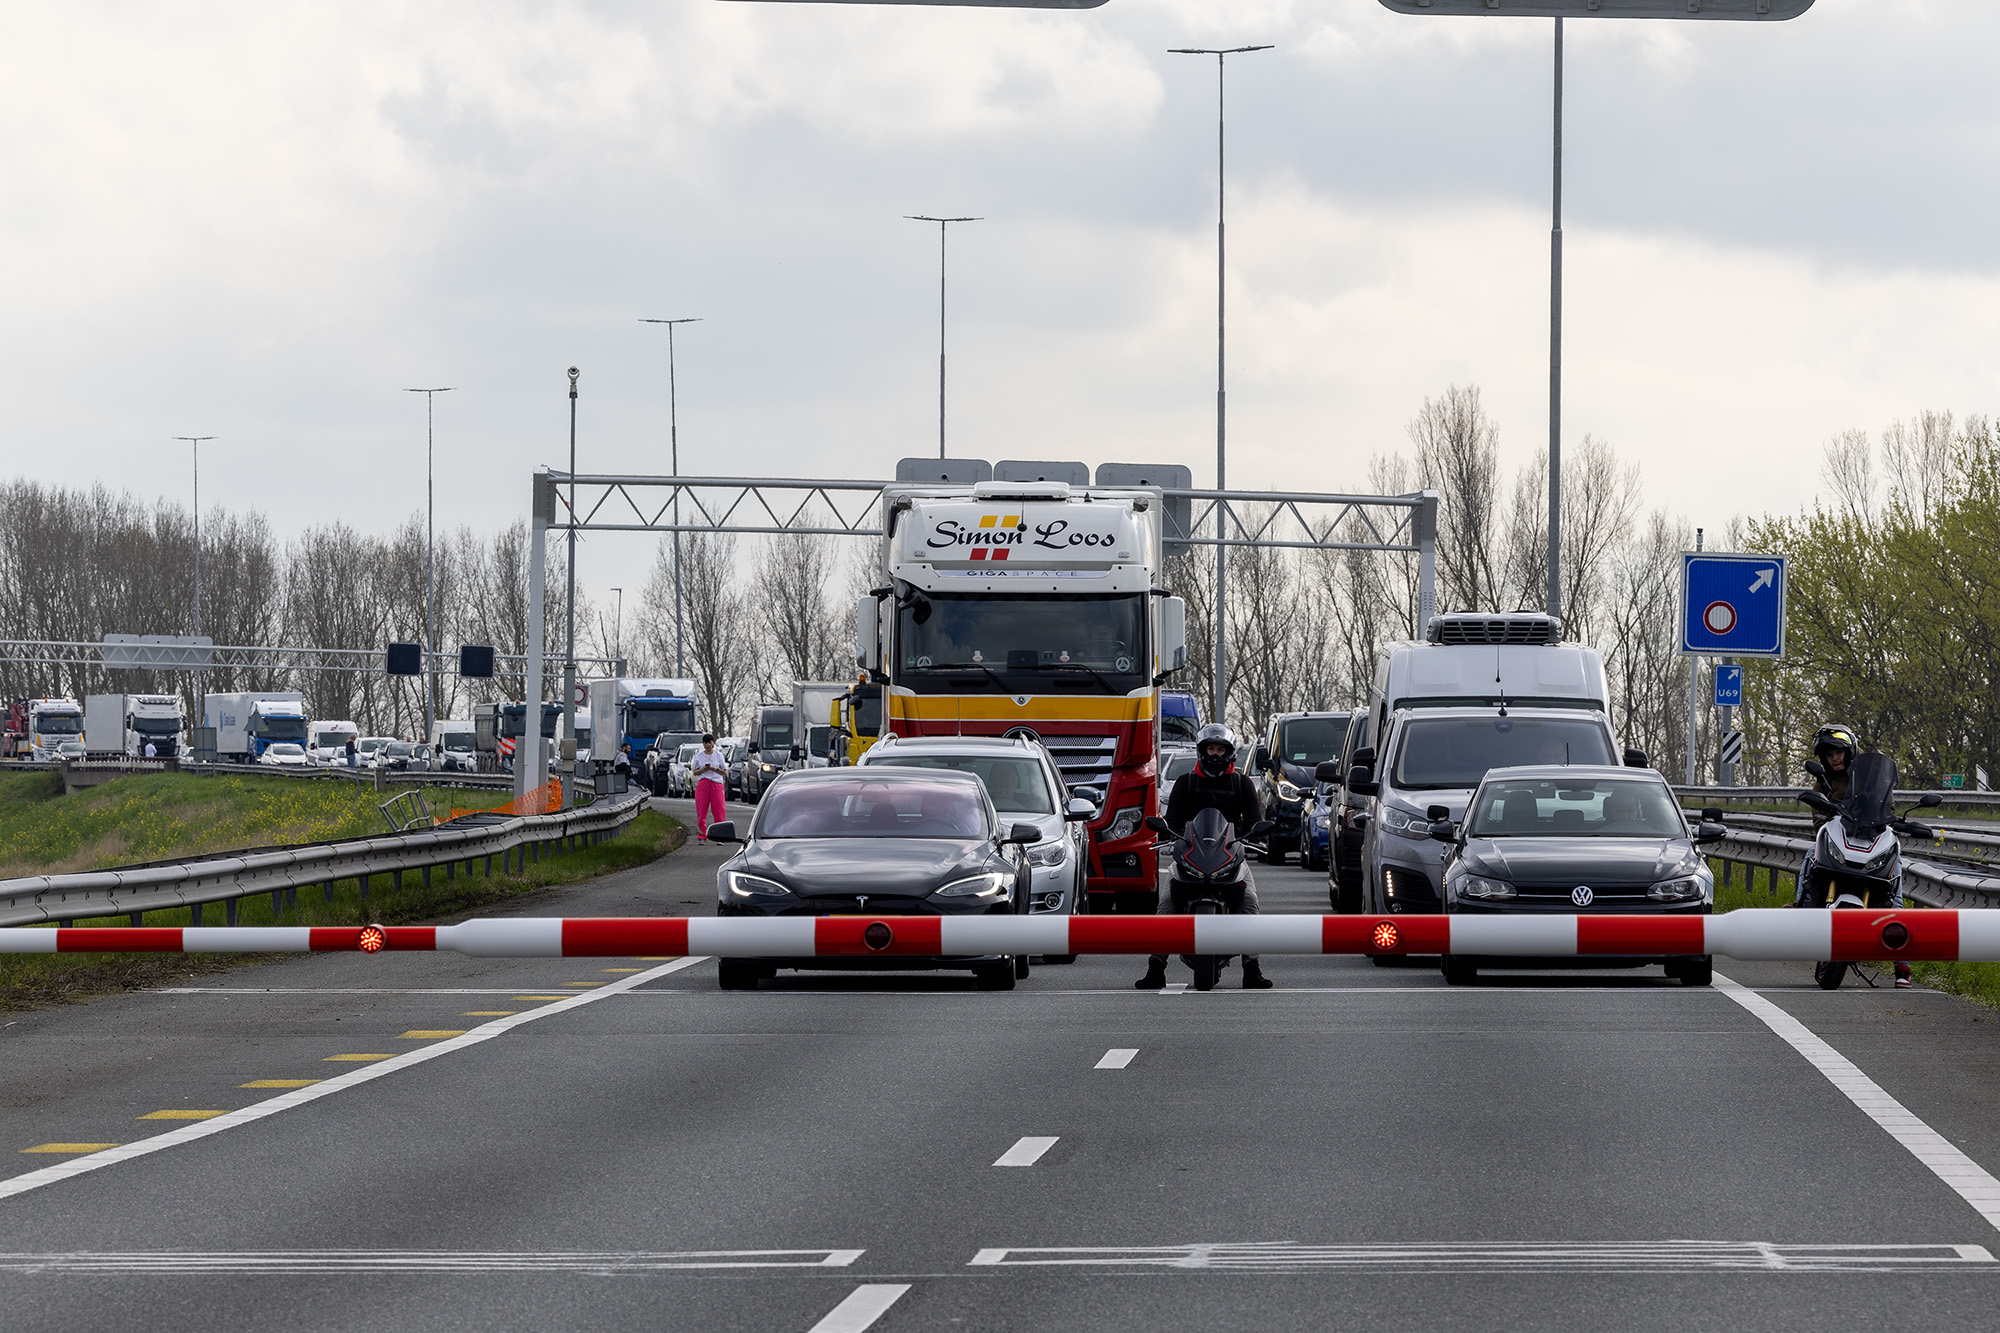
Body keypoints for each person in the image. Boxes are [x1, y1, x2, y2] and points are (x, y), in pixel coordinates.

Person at [1136, 723, 1271, 991]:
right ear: (1201, 750)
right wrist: (1166, 832)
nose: (1215, 754)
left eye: (1221, 749)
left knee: (1250, 901)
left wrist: (1254, 835)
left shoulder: (1242, 783)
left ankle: (1252, 967)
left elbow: (1255, 821)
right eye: (1210, 748)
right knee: (1165, 905)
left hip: (1231, 857)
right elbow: (1172, 821)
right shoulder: (1186, 783)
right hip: (1190, 856)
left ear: (1230, 753)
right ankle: (1155, 967)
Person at [1793, 724, 1911, 988]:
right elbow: (1817, 818)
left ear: (1850, 751)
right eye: (1829, 754)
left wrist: (1884, 817)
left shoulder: (1871, 774)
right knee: (1811, 852)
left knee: (1896, 871)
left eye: (1839, 752)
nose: (1834, 758)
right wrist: (1825, 814)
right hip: (1840, 836)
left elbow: (1886, 806)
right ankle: (1801, 904)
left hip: (1869, 837)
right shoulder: (1823, 780)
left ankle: (1903, 963)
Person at [690, 733, 729, 843]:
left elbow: (724, 772)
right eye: (706, 743)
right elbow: (695, 772)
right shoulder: (699, 756)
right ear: (703, 744)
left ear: (713, 743)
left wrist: (715, 769)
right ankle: (702, 836)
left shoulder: (719, 755)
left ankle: (720, 835)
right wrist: (703, 769)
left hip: (716, 783)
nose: (708, 745)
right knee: (701, 810)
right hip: (703, 783)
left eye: (710, 742)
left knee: (719, 810)